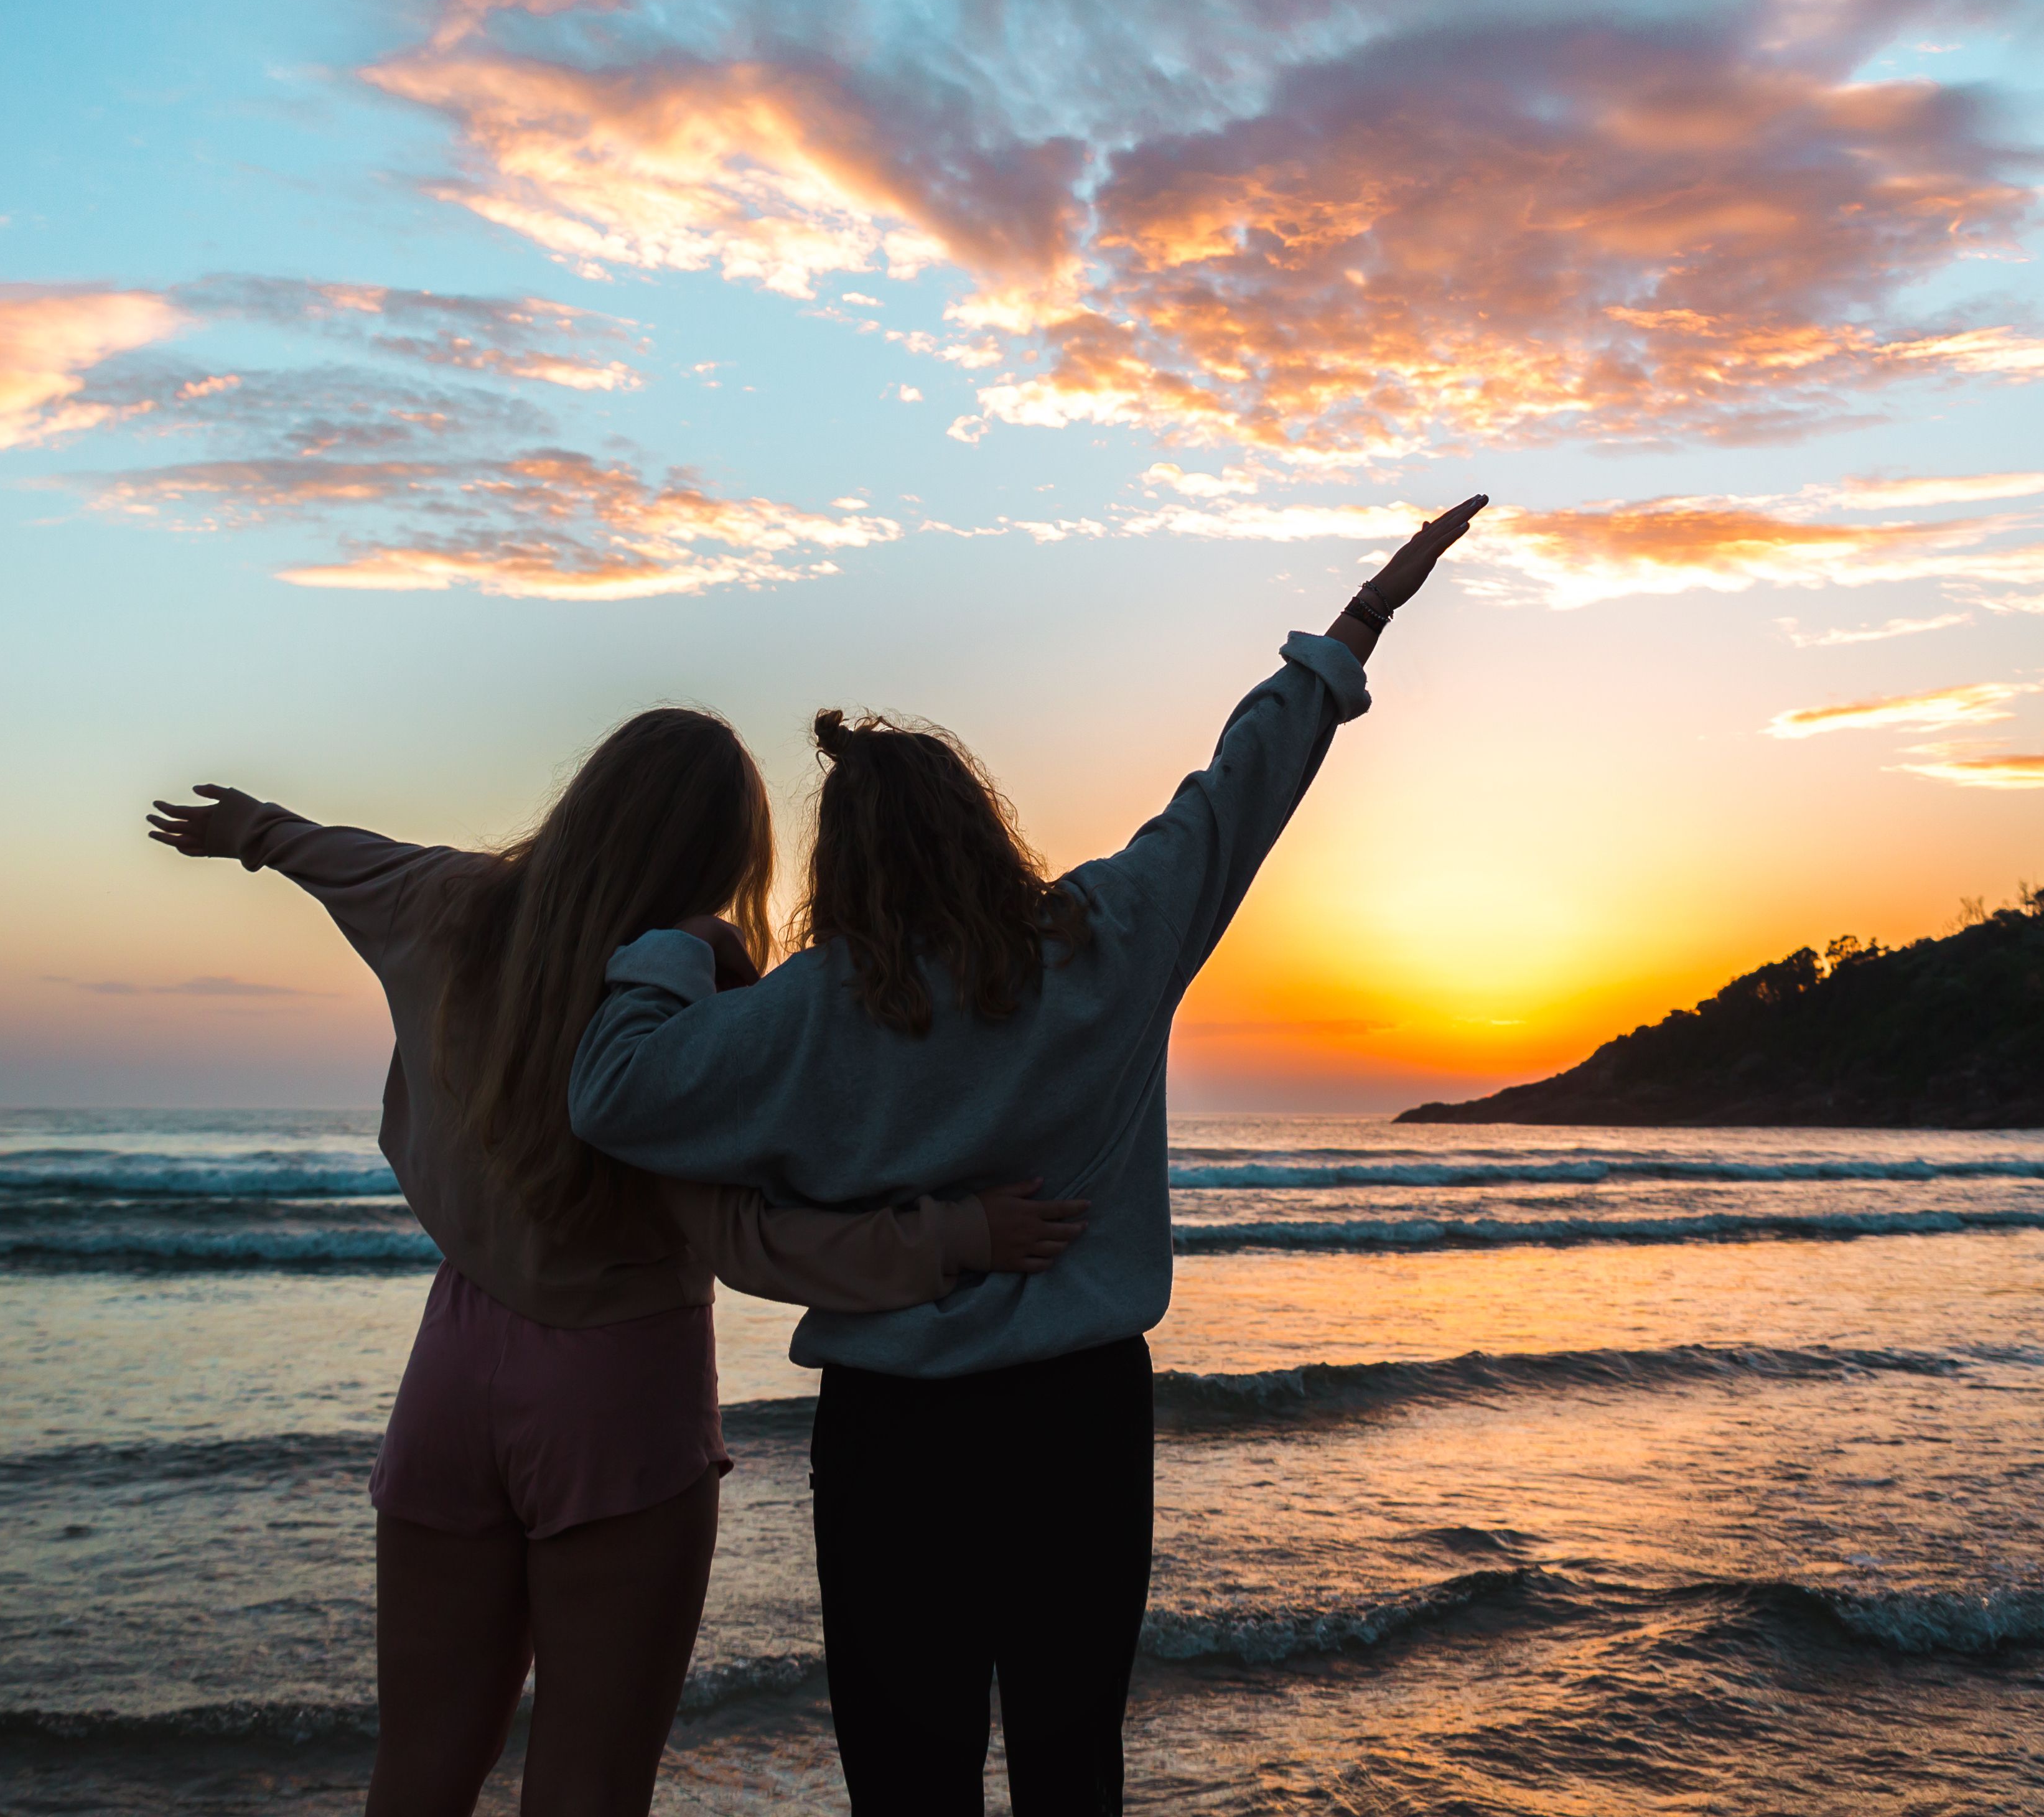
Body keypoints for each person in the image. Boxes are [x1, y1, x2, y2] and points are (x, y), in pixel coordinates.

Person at [567, 496, 1486, 1815]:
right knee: (1071, 1765)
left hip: (897, 1442)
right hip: (1080, 1419)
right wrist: (1358, 623)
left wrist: (684, 946)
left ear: (847, 861)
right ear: (979, 826)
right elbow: (1238, 791)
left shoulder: (807, 1012)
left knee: (907, 1780)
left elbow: (611, 1091)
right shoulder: (1104, 938)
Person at [144, 709, 1091, 1817]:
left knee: (418, 1771)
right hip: (619, 1391)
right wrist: (957, 1238)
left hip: (452, 1370)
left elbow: (344, 859)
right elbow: (750, 1241)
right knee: (589, 1785)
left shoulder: (455, 905)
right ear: (731, 857)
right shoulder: (683, 1017)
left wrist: (256, 830)